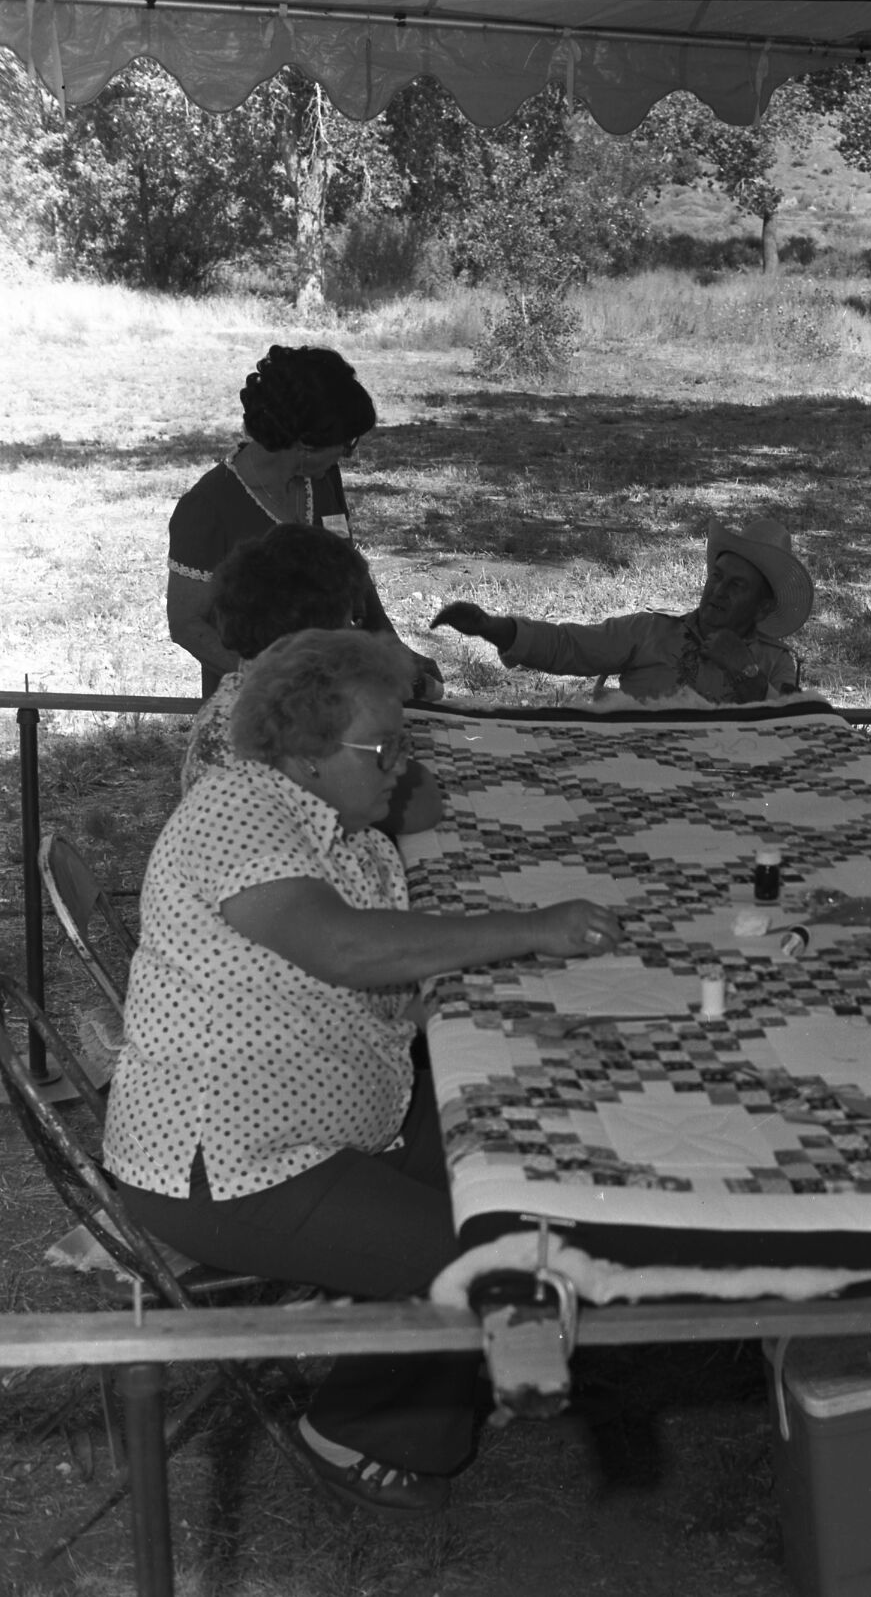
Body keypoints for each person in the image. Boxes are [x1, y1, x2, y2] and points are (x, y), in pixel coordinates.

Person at [103, 629, 624, 1515]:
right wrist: (532, 929)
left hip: (311, 1132)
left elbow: (341, 981)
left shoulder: (350, 836)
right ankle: (355, 1427)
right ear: (305, 755)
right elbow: (341, 948)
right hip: (224, 1167)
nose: (404, 765)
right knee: (488, 1254)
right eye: (385, 749)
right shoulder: (238, 811)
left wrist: (426, 1013)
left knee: (508, 1152)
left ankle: (445, 1365)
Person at [166, 343, 441, 701]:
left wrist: (392, 647)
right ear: (305, 443)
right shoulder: (206, 507)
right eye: (345, 443)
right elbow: (187, 625)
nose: (347, 453)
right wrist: (272, 681)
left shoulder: (322, 478)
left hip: (338, 705)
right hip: (254, 715)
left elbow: (349, 574)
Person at [181, 524, 443, 834]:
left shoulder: (242, 694)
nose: (357, 633)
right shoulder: (292, 716)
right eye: (351, 620)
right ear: (319, 633)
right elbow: (419, 804)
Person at [429, 517, 814, 704]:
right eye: (717, 576)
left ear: (763, 607)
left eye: (737, 586)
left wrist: (744, 671)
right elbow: (569, 646)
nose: (717, 591)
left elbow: (790, 731)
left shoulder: (775, 662)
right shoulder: (650, 632)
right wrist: (489, 627)